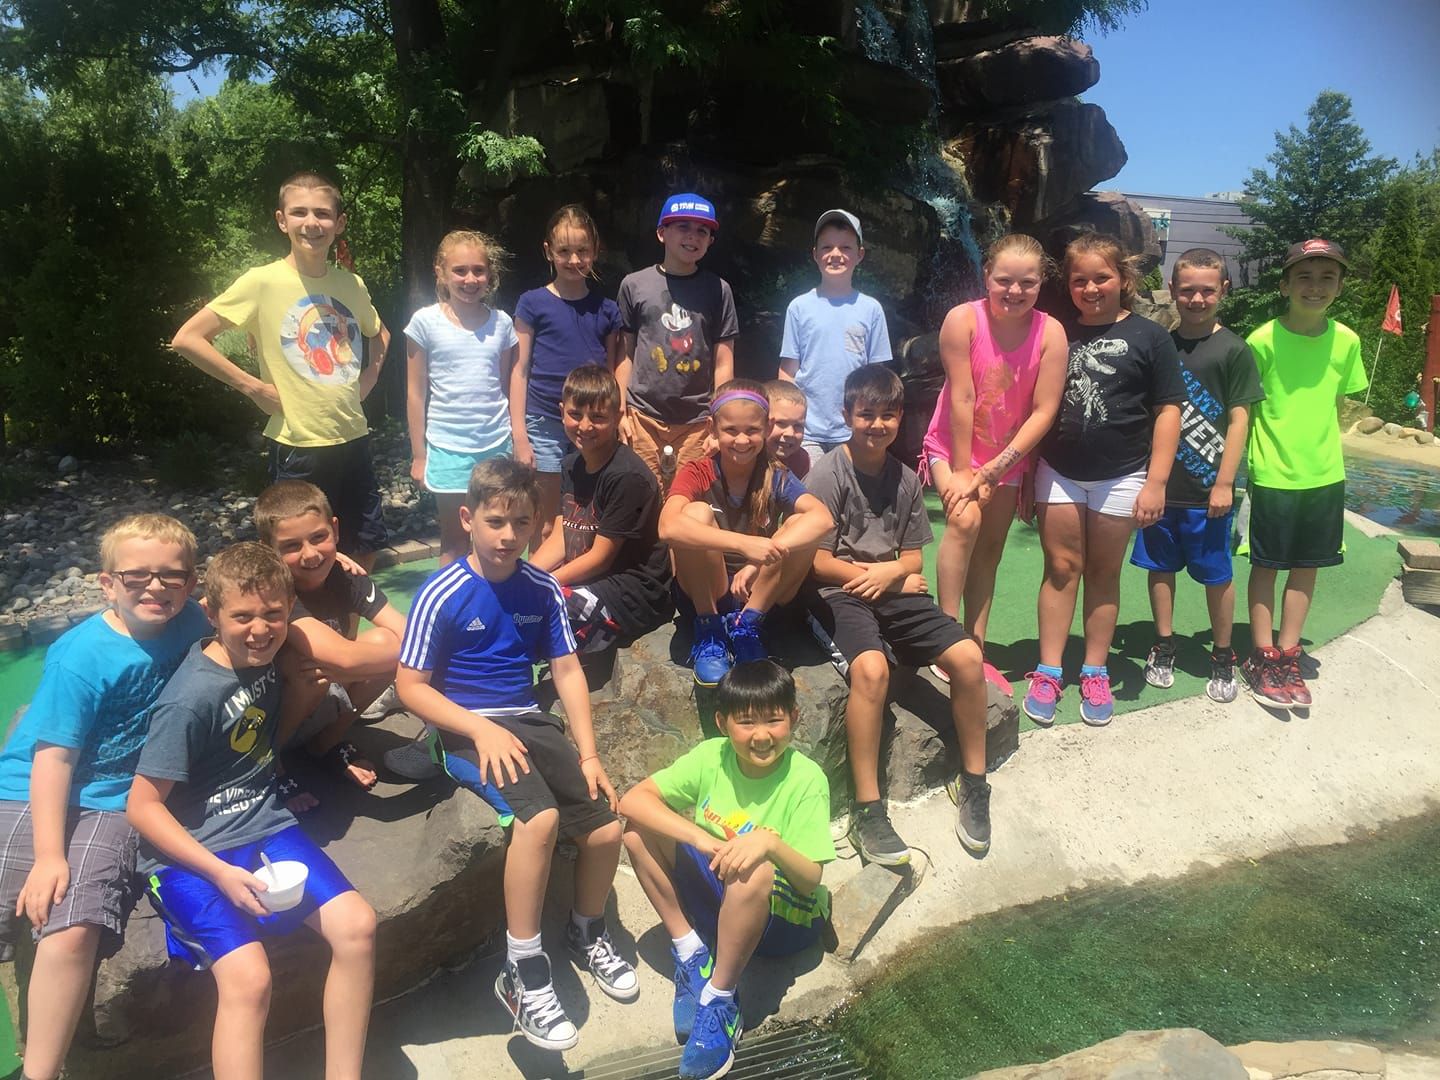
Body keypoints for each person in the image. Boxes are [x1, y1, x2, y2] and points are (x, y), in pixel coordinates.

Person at [394, 458, 636, 1052]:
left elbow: (566, 669)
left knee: (607, 827)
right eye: (495, 521)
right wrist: (478, 729)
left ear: (536, 525)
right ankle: (522, 971)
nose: (508, 535)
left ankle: (586, 930)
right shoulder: (441, 592)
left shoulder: (542, 588)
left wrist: (588, 755)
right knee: (540, 819)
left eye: (521, 523)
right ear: (467, 518)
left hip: (528, 720)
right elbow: (410, 687)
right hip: (462, 727)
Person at [127, 543, 377, 1080]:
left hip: (263, 824)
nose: (260, 629)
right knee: (249, 978)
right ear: (211, 614)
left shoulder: (269, 659)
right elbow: (142, 807)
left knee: (358, 926)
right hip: (189, 854)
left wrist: (345, 565)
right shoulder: (190, 699)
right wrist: (220, 873)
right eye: (242, 617)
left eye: (273, 614)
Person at [0, 515, 206, 1080]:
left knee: (72, 926)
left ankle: (40, 1072)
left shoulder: (194, 620)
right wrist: (49, 854)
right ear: (108, 584)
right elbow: (53, 759)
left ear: (191, 582)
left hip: (113, 802)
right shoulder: (81, 657)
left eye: (171, 575)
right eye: (136, 575)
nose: (155, 586)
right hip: (30, 788)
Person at [807, 366, 989, 865]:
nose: (877, 424)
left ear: (900, 418)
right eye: (866, 414)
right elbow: (816, 560)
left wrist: (890, 574)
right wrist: (883, 574)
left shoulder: (906, 478)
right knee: (872, 670)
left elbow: (912, 560)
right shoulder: (828, 473)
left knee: (968, 658)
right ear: (847, 415)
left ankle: (974, 782)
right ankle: (868, 809)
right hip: (837, 591)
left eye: (888, 415)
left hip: (890, 587)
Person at [619, 661, 834, 1080]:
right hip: (725, 892)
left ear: (794, 717)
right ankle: (693, 955)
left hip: (787, 921)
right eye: (746, 722)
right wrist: (702, 840)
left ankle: (720, 998)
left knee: (754, 869)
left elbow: (811, 879)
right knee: (637, 833)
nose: (761, 735)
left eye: (774, 720)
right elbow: (633, 800)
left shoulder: (807, 780)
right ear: (722, 723)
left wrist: (769, 844)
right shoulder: (712, 757)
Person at [172, 170, 391, 568]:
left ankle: (352, 612)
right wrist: (252, 387)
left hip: (352, 437)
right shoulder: (262, 282)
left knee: (364, 544)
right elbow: (188, 338)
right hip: (297, 445)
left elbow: (381, 335)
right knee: (299, 556)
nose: (312, 223)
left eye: (323, 214)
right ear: (282, 220)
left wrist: (369, 378)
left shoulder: (352, 284)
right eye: (299, 212)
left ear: (339, 223)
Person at [1024, 234, 1185, 727]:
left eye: (1102, 278)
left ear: (1124, 279)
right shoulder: (1055, 332)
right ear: (1068, 284)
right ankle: (1049, 670)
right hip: (1059, 471)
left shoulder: (1150, 337)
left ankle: (1095, 669)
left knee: (1102, 572)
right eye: (1080, 280)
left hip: (1123, 474)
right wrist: (1027, 473)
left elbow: (1168, 411)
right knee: (1060, 568)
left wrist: (1156, 482)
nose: (1091, 288)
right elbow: (1035, 406)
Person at [920, 233, 1067, 691]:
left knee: (990, 550)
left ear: (1041, 283)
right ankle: (947, 638)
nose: (1014, 291)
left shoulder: (1051, 333)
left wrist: (997, 469)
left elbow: (1043, 410)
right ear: (987, 276)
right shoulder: (962, 320)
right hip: (952, 449)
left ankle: (975, 643)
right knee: (964, 522)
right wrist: (966, 471)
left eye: (1027, 282)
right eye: (1004, 280)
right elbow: (962, 396)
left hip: (1007, 458)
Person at [1131, 249, 1264, 703]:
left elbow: (1240, 420)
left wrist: (1225, 482)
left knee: (1217, 575)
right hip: (1163, 488)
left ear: (1223, 290)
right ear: (1172, 289)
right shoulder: (1161, 346)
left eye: (1208, 289)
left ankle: (1223, 653)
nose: (1197, 298)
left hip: (1209, 492)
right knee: (1159, 569)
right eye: (1187, 289)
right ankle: (1164, 643)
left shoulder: (1234, 350)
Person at [1241, 238, 1367, 709]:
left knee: (1306, 567)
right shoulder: (1261, 340)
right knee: (1266, 565)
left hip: (1325, 475)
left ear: (1340, 286)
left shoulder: (1347, 341)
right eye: (1305, 277)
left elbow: (1336, 404)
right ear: (1285, 285)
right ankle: (1262, 654)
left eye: (1327, 277)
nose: (1316, 286)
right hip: (1272, 473)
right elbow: (1245, 410)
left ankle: (1288, 652)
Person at [660, 380, 834, 687]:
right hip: (707, 590)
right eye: (731, 430)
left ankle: (747, 628)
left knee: (800, 523)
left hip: (755, 594)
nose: (742, 440)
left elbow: (823, 519)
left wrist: (759, 559)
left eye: (752, 430)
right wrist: (745, 545)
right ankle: (710, 630)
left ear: (766, 428)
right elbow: (667, 526)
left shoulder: (776, 474)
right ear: (712, 428)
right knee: (695, 514)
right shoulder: (698, 471)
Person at [254, 480, 408, 797]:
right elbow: (343, 658)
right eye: (291, 546)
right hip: (265, 720)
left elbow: (406, 632)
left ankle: (325, 743)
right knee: (308, 668)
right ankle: (266, 763)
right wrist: (406, 656)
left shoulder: (348, 576)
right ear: (268, 549)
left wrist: (402, 654)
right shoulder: (275, 591)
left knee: (385, 642)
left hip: (322, 699)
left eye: (318, 537)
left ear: (334, 530)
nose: (310, 554)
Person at [529, 364, 674, 653]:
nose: (585, 426)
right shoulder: (571, 466)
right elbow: (561, 536)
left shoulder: (627, 476)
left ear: (617, 417)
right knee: (510, 598)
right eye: (575, 415)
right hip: (588, 583)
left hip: (632, 595)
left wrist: (542, 584)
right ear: (562, 412)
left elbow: (601, 558)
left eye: (597, 417)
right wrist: (524, 575)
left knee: (537, 615)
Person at [405, 229, 520, 565]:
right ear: (440, 273)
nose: (470, 279)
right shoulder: (424, 322)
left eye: (478, 270)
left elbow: (504, 385)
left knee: (498, 533)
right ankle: (453, 598)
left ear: (489, 275)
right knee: (455, 539)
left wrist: (517, 440)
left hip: (495, 444)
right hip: (447, 448)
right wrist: (419, 454)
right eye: (460, 271)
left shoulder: (502, 324)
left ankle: (495, 595)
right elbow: (415, 392)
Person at [512, 205, 624, 549]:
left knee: (587, 514)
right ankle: (540, 580)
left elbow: (612, 372)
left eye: (582, 251)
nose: (574, 260)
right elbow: (520, 368)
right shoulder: (532, 303)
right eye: (564, 251)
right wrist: (519, 434)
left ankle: (580, 577)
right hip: (544, 421)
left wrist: (616, 419)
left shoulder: (607, 309)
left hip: (593, 424)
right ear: (548, 251)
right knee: (545, 521)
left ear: (595, 251)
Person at [616, 192, 739, 485]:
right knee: (639, 493)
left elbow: (723, 362)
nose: (693, 236)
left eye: (702, 231)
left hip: (698, 422)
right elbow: (625, 353)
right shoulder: (634, 285)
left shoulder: (719, 289)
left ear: (710, 240)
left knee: (688, 498)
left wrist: (720, 421)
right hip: (642, 417)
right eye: (683, 227)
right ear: (662, 233)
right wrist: (619, 412)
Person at [778, 209, 892, 461]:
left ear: (860, 255)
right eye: (827, 247)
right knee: (809, 486)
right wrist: (787, 422)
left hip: (855, 430)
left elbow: (878, 375)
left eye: (845, 247)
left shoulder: (871, 309)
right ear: (815, 255)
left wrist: (873, 423)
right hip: (807, 430)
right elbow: (788, 371)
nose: (836, 254)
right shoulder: (799, 307)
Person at [764, 379, 811, 479]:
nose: (790, 433)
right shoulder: (748, 460)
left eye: (798, 426)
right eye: (780, 423)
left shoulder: (801, 460)